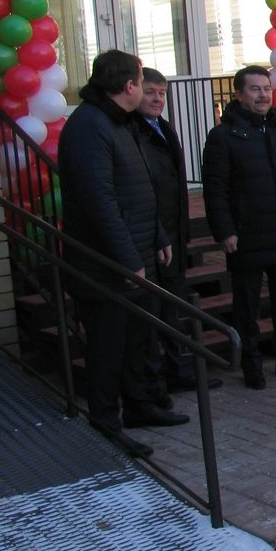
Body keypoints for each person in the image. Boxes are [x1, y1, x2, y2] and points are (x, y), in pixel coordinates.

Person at [58, 49, 188, 459]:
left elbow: (144, 187)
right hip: (108, 267)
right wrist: (129, 258)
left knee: (139, 342)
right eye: (140, 81)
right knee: (107, 350)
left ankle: (140, 407)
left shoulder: (122, 123)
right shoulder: (88, 126)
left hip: (139, 253)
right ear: (129, 86)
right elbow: (99, 200)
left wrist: (160, 235)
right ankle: (106, 425)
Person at [202, 65, 276, 390]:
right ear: (238, 95)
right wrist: (225, 230)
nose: (263, 95)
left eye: (266, 88)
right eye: (255, 89)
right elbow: (216, 190)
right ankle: (251, 363)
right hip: (247, 234)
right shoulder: (224, 137)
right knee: (247, 305)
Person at [134, 68, 221, 395]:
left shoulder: (163, 128)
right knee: (153, 315)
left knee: (175, 309)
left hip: (173, 234)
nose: (157, 99)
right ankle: (154, 382)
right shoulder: (134, 131)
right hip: (152, 238)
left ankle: (179, 370)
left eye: (162, 93)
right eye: (150, 92)